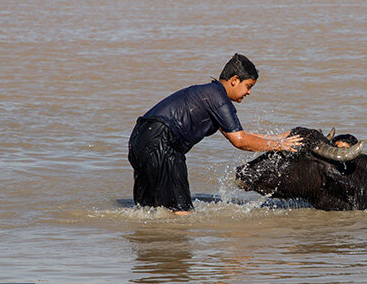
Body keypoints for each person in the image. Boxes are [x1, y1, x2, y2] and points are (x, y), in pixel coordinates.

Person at [128, 53, 302, 214]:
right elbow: (240, 140)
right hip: (161, 142)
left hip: (142, 138)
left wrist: (278, 138)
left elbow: (236, 134)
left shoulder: (208, 94)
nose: (249, 92)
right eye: (248, 86)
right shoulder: (219, 99)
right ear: (234, 80)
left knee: (150, 211)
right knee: (181, 211)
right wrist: (278, 146)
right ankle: (177, 247)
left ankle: (150, 246)